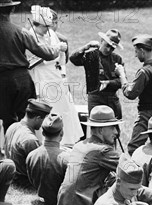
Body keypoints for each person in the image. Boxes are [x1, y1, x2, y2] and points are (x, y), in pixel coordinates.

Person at [56, 105, 121, 205]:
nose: (116, 132)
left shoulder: (79, 145)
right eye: (112, 127)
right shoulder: (102, 150)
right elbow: (130, 169)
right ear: (101, 130)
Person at [27, 5, 82, 145]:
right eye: (45, 26)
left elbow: (61, 60)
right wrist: (55, 49)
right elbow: (32, 60)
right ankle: (46, 141)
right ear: (37, 24)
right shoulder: (30, 36)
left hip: (56, 76)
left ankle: (66, 141)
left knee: (65, 109)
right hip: (41, 77)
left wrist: (61, 51)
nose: (48, 29)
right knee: (47, 109)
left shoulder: (51, 34)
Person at [0, 0, 57, 131]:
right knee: (25, 119)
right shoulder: (20, 32)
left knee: (7, 118)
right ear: (13, 9)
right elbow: (47, 54)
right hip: (20, 80)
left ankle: (9, 147)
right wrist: (56, 48)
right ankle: (24, 147)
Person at [119, 34, 152, 155]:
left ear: (142, 51)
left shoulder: (144, 72)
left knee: (134, 147)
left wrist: (122, 76)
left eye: (136, 52)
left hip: (147, 113)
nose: (135, 55)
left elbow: (130, 94)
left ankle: (135, 171)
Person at [69, 29, 125, 119]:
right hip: (95, 97)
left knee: (114, 127)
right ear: (102, 41)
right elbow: (73, 59)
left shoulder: (117, 59)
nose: (109, 49)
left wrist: (108, 83)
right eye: (107, 46)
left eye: (112, 48)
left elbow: (122, 81)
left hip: (111, 98)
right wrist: (86, 47)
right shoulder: (91, 55)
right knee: (95, 127)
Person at [4, 99, 51, 186]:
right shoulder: (30, 140)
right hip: (24, 182)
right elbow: (40, 170)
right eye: (44, 119)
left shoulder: (13, 126)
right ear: (38, 118)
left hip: (11, 177)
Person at [26, 113, 68, 205]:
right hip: (60, 202)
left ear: (43, 133)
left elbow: (31, 180)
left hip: (43, 198)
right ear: (62, 133)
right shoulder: (67, 159)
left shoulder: (31, 155)